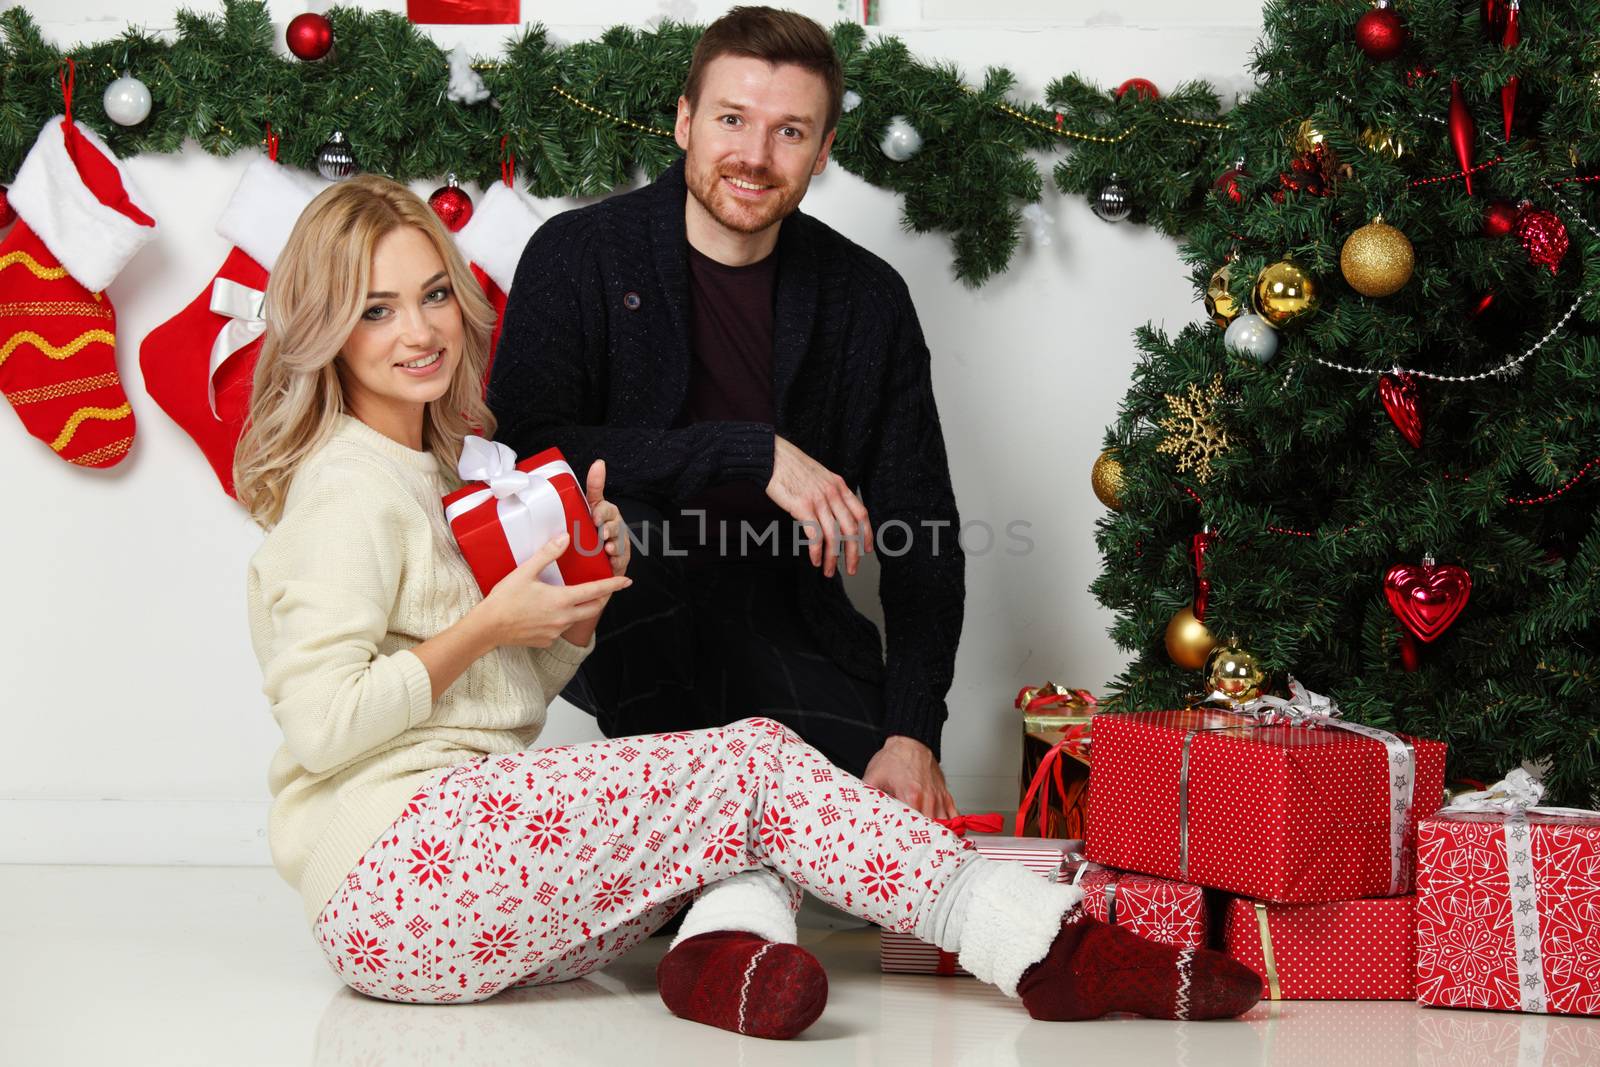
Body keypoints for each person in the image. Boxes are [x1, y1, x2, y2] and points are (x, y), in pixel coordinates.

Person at [235, 175, 1259, 1035]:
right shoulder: (344, 487)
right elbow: (325, 726)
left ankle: (724, 958)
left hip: (455, 894)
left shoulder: (445, 469)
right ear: (325, 330)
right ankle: (1046, 943)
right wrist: (488, 624)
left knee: (737, 813)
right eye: (375, 309)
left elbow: (499, 690)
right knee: (758, 758)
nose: (419, 331)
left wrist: (573, 608)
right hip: (396, 874)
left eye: (432, 296)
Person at [487, 6, 962, 816]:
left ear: (823, 152)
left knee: (876, 832)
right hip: (622, 597)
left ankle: (701, 842)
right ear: (685, 121)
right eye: (732, 119)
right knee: (631, 524)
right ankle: (694, 866)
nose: (754, 155)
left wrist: (913, 731)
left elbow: (924, 530)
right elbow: (532, 446)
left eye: (789, 132)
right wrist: (751, 451)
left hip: (784, 608)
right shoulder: (578, 254)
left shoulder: (867, 298)